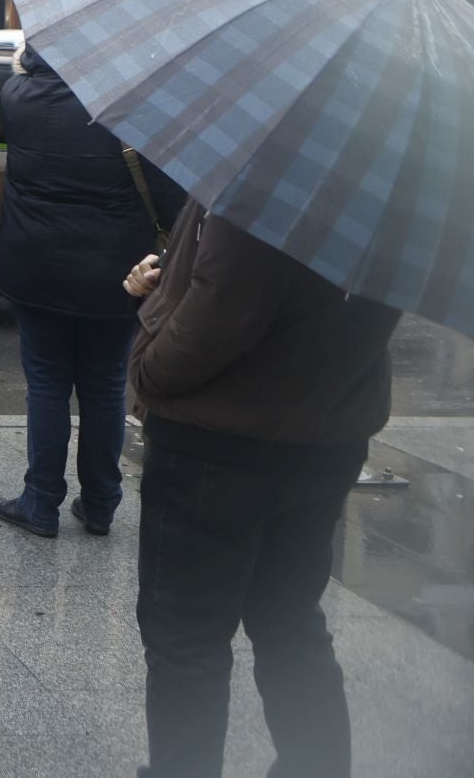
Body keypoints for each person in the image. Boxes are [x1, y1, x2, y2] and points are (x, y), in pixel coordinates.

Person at [124, 203, 399, 778]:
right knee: (289, 622)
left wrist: (149, 359)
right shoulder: (397, 183)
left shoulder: (276, 175)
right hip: (327, 433)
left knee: (187, 641)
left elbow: (223, 308)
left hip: (219, 445)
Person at [0, 45, 183, 539]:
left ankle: (40, 502)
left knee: (48, 385)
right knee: (104, 387)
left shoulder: (17, 96)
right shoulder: (134, 109)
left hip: (35, 269)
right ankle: (100, 502)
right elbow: (169, 197)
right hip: (115, 275)